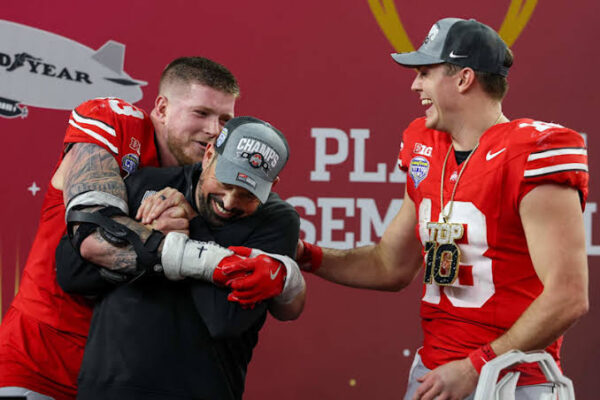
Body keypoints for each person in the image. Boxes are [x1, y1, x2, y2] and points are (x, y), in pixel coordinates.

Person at [297, 18, 589, 400]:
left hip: (509, 382)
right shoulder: (426, 146)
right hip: (435, 374)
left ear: (464, 78)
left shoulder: (532, 151)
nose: (414, 86)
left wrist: (475, 366)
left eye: (425, 73)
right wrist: (306, 255)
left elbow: (568, 295)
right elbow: (390, 264)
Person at [0, 56, 240, 400]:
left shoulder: (216, 180)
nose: (214, 130)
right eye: (200, 113)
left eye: (225, 120)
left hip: (124, 373)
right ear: (162, 108)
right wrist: (196, 252)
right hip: (39, 359)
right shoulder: (116, 122)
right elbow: (95, 235)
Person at [54, 116, 305, 399]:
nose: (229, 202)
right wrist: (152, 236)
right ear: (209, 155)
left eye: (248, 195)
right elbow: (70, 273)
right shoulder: (148, 183)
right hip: (107, 389)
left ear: (272, 184)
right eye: (225, 182)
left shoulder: (277, 221)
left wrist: (190, 226)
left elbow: (225, 319)